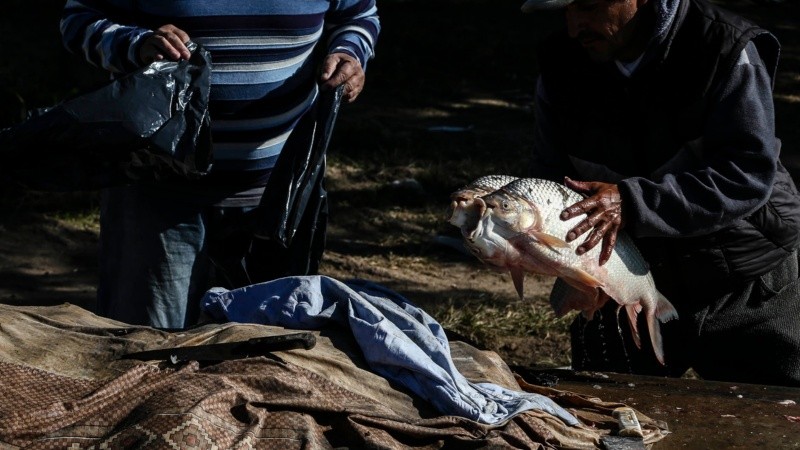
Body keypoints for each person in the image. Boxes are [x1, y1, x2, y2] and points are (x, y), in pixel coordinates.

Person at [522, 0, 800, 386]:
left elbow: (747, 173)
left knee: (778, 420)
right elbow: (549, 180)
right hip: (624, 274)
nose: (575, 26)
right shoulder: (561, 63)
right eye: (565, 11)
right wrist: (534, 242)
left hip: (745, 276)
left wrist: (631, 202)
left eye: (587, 5)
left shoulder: (724, 47)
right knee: (604, 417)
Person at [60, 1, 380, 329]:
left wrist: (350, 52)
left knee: (266, 357)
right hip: (157, 193)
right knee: (149, 352)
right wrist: (135, 44)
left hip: (282, 195)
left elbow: (357, 16)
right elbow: (80, 17)